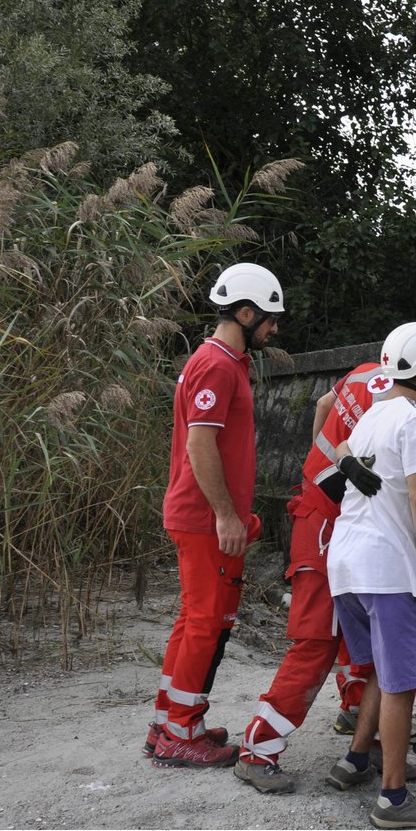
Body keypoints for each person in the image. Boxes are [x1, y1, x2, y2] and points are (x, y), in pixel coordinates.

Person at [234, 330, 416, 793]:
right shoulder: (409, 414)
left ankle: (370, 742)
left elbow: (325, 408)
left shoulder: (371, 378)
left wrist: (335, 464)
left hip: (332, 518)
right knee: (318, 643)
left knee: (367, 651)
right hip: (333, 522)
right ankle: (258, 747)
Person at [324, 322, 416, 829]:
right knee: (402, 683)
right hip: (385, 567)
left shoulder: (371, 418)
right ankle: (394, 798)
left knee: (384, 669)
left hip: (346, 565)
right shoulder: (414, 421)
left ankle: (355, 759)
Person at [148, 263, 282, 768]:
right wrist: (227, 515)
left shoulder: (224, 362)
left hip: (203, 515)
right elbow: (200, 442)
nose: (274, 328)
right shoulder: (218, 365)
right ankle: (180, 732)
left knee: (193, 621)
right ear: (245, 313)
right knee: (205, 622)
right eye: (269, 318)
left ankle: (171, 721)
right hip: (205, 518)